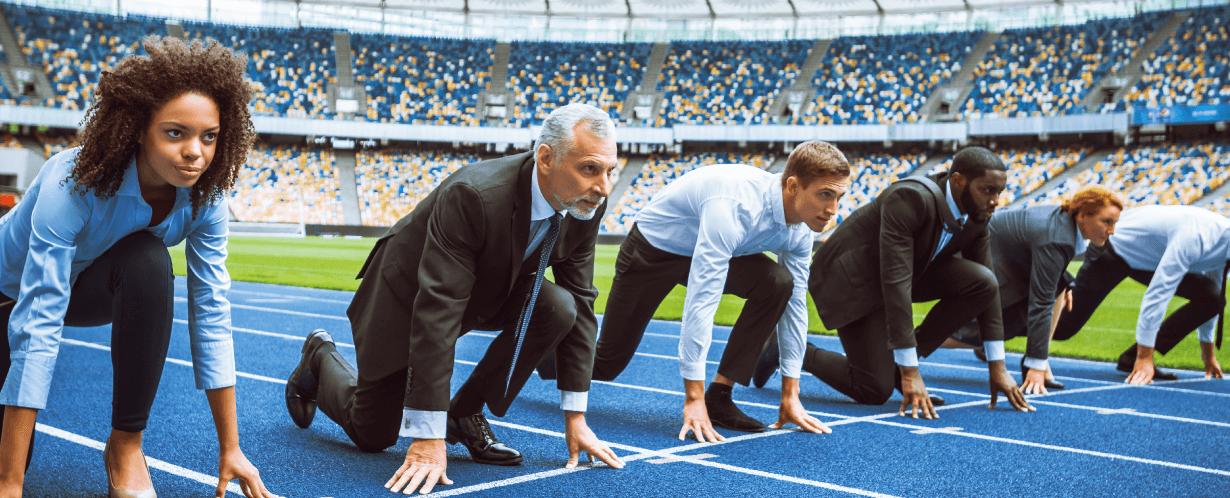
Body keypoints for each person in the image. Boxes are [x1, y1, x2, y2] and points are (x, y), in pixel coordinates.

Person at [0, 36, 277, 498]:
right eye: (176, 133)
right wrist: (7, 480)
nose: (196, 151)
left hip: (90, 284)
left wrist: (230, 448)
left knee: (149, 261)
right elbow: (38, 319)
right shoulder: (71, 181)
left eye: (209, 136)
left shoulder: (207, 197)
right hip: (4, 291)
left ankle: (126, 445)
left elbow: (212, 311)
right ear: (139, 129)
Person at [281, 103, 625, 496]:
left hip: (491, 287)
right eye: (590, 169)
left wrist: (576, 417)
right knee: (373, 433)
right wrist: (427, 436)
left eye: (610, 171)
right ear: (546, 158)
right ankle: (319, 357)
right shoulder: (475, 195)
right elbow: (439, 308)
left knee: (559, 306)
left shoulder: (584, 205)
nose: (604, 187)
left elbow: (581, 300)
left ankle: (462, 414)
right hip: (408, 292)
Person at [561, 141, 847, 443]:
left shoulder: (801, 228)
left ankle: (720, 395)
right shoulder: (735, 206)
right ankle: (538, 350)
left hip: (702, 245)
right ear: (793, 186)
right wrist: (692, 398)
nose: (832, 210)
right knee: (607, 363)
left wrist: (791, 393)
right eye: (825, 195)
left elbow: (796, 306)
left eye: (839, 197)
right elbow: (702, 299)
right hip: (653, 251)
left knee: (779, 283)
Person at [796, 146, 1034, 419]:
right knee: (873, 389)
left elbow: (989, 288)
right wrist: (911, 372)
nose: (995, 201)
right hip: (850, 280)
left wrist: (998, 366)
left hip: (906, 273)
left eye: (999, 192)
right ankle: (788, 349)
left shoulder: (977, 214)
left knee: (982, 282)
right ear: (958, 182)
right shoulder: (909, 198)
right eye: (988, 190)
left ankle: (897, 366)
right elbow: (895, 283)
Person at [1052, 201, 1230, 383]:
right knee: (1064, 328)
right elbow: (1159, 293)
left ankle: (1130, 358)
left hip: (1149, 259)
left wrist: (1207, 357)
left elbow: (1214, 299)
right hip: (1114, 250)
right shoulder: (1197, 236)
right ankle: (1015, 322)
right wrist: (1145, 359)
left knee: (1212, 296)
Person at [943, 185, 1124, 394]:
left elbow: (1043, 259)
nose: (1111, 231)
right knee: (992, 329)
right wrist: (1034, 368)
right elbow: (1042, 302)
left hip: (1004, 262)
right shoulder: (1058, 236)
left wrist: (1065, 282)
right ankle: (912, 343)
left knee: (1058, 287)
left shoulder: (1063, 221)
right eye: (1107, 222)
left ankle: (1040, 361)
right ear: (1083, 215)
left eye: (1114, 223)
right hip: (978, 262)